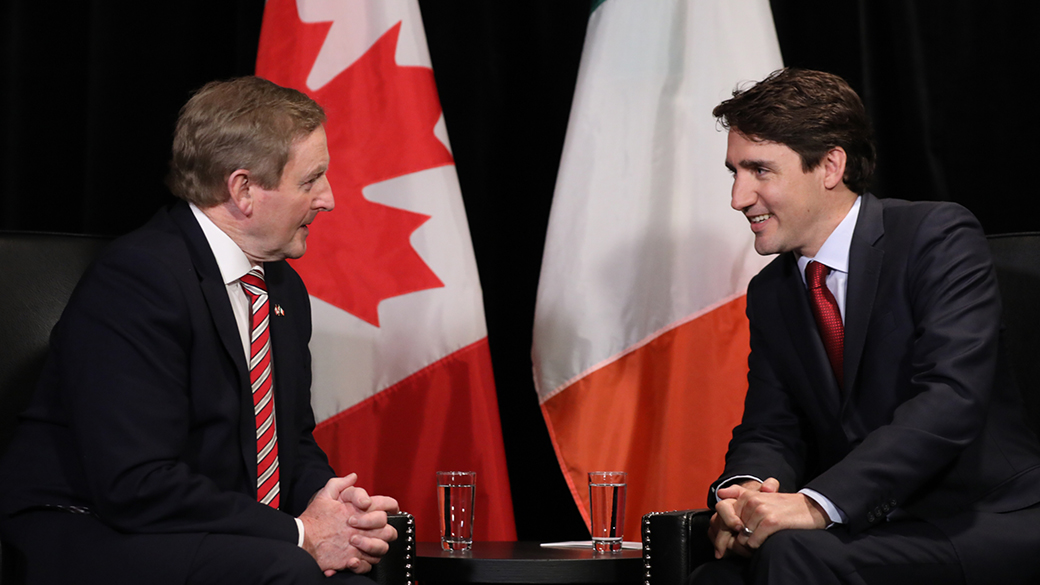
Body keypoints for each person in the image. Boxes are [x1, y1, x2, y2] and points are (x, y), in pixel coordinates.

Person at [0, 77, 399, 584]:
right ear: (243, 189)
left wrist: (336, 510)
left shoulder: (281, 289)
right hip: (87, 525)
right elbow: (135, 483)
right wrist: (300, 533)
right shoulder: (138, 280)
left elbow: (289, 441)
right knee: (286, 569)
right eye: (311, 179)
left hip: (203, 527)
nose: (329, 199)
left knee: (351, 574)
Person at [691, 68, 1040, 585]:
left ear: (830, 165)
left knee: (793, 556)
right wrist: (745, 496)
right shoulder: (772, 291)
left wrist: (815, 504)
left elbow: (950, 399)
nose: (739, 197)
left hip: (981, 516)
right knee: (715, 574)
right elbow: (771, 427)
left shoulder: (936, 236)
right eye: (734, 172)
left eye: (760, 171)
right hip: (873, 525)